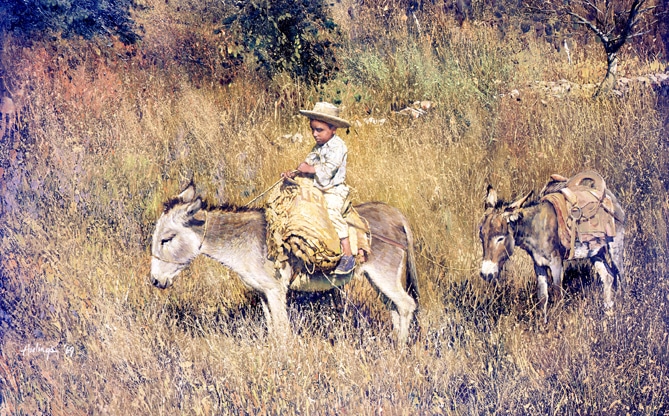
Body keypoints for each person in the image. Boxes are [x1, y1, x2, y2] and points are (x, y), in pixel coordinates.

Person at [282, 102, 356, 275]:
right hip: (317, 187)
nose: (315, 134)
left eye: (319, 130)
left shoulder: (338, 147)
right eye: (313, 129)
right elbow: (309, 162)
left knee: (330, 211)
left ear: (333, 128)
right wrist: (294, 173)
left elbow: (328, 170)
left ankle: (347, 253)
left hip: (333, 189)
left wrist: (309, 169)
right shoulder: (318, 147)